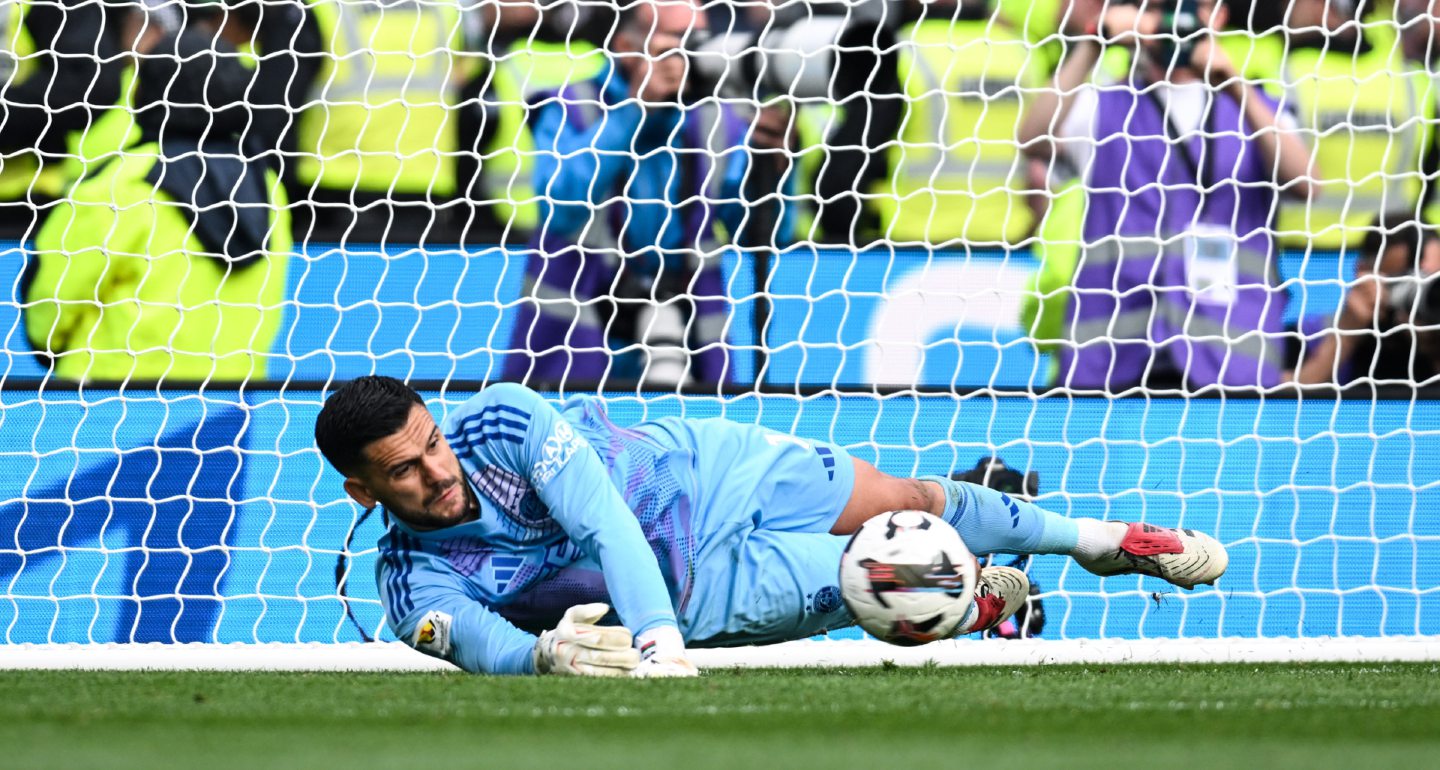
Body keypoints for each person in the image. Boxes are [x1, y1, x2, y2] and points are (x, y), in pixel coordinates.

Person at [313, 375, 1230, 676]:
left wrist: (658, 649)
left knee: (909, 499)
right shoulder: (411, 588)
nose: (439, 472)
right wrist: (543, 658)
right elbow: (484, 650)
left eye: (432, 444)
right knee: (891, 586)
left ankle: (1101, 542)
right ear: (363, 493)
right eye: (405, 470)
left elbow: (605, 531)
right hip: (701, 589)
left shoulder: (506, 420)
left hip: (709, 470)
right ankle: (972, 604)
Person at [1019, 0, 1315, 391]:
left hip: (1229, 354)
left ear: (1220, 15)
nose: (1180, 20)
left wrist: (1233, 83)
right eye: (1162, 7)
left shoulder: (1259, 108)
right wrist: (1095, 42)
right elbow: (1032, 137)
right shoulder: (1104, 104)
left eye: (1194, 7)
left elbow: (1306, 182)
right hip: (1116, 357)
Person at [502, 0, 795, 389]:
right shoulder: (571, 106)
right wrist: (635, 109)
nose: (694, 52)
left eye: (703, 38)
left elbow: (761, 233)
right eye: (680, 39)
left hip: (686, 334)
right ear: (626, 45)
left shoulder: (713, 118)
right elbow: (563, 208)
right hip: (577, 342)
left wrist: (776, 171)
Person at [24, 0, 315, 382]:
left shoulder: (123, 184)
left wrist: (54, 350)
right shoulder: (268, 188)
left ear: (144, 94)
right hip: (228, 401)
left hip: (111, 404)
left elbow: (52, 298)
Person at [872, 0, 1043, 246]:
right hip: (1010, 246)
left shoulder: (901, 51)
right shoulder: (1024, 52)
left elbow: (848, 167)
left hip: (912, 246)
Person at [1289, 213, 1440, 384]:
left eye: (1433, 281)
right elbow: (1273, 403)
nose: (1421, 293)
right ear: (1363, 274)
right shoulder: (1310, 336)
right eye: (1403, 281)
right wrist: (1346, 336)